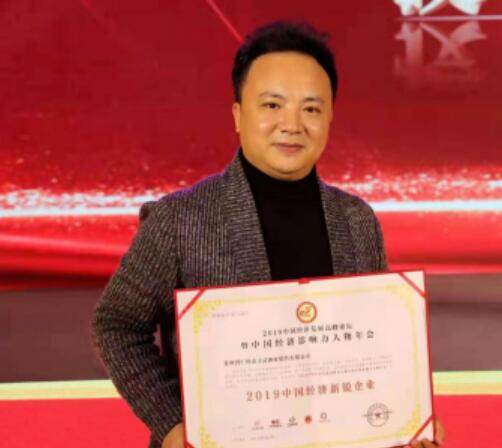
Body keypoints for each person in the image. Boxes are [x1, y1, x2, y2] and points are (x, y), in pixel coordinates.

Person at [93, 20, 444, 448]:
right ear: (238, 115)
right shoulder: (178, 219)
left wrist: (406, 421)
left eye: (311, 109)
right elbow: (117, 325)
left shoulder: (357, 220)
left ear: (330, 118)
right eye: (272, 105)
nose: (291, 124)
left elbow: (372, 345)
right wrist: (171, 425)